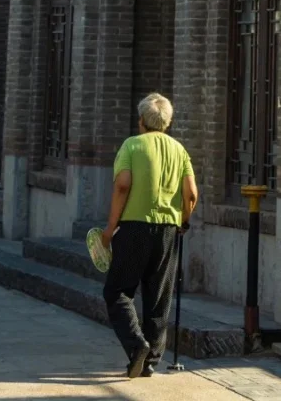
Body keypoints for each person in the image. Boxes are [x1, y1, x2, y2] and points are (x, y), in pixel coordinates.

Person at [101, 92, 199, 379]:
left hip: (133, 227)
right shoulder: (179, 150)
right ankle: (151, 360)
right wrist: (183, 220)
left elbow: (122, 185)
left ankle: (136, 345)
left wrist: (109, 229)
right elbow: (191, 194)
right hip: (168, 228)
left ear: (141, 120)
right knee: (158, 296)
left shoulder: (132, 145)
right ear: (167, 122)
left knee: (117, 291)